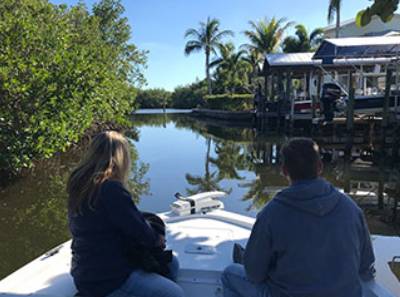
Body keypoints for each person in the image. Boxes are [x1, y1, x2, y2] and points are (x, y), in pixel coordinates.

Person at [221, 138, 375, 297]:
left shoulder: (271, 214)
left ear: (284, 171)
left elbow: (254, 274)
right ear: (320, 167)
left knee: (229, 274)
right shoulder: (351, 209)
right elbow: (365, 266)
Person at [67, 131, 184, 297]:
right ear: (120, 157)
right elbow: (142, 233)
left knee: (171, 264)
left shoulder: (80, 185)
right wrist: (157, 238)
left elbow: (116, 221)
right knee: (174, 293)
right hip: (108, 279)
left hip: (86, 270)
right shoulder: (111, 189)